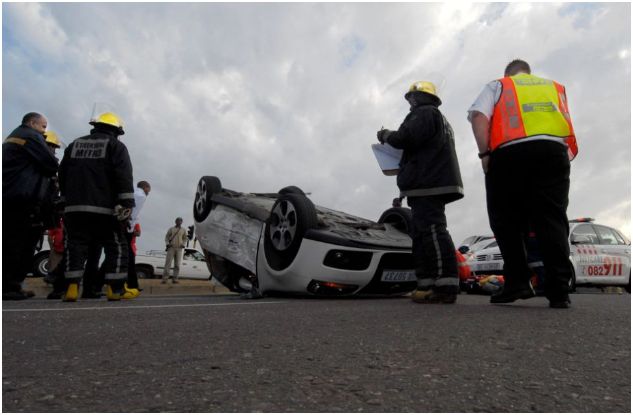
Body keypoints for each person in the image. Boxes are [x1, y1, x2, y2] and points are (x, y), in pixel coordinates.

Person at [468, 59, 578, 309]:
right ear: (528, 73)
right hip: (553, 151)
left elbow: (478, 116)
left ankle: (518, 281)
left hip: (510, 154)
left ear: (508, 74)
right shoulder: (554, 87)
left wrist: (485, 155)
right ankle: (559, 290)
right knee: (552, 218)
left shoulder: (499, 85)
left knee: (506, 219)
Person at [377, 81, 464, 304]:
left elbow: (403, 138)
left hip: (429, 183)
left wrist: (386, 135)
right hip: (427, 182)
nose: (410, 104)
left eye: (411, 99)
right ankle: (427, 284)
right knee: (424, 232)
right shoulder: (437, 118)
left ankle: (445, 285)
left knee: (433, 231)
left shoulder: (424, 113)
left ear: (418, 98)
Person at [58, 112, 136, 301]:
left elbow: (62, 173)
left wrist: (65, 199)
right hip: (105, 209)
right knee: (116, 245)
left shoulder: (74, 144)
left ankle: (71, 288)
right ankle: (115, 290)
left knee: (75, 246)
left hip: (74, 208)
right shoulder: (116, 146)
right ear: (116, 130)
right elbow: (123, 176)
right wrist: (126, 204)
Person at [3, 112, 58, 300]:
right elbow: (51, 164)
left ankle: (12, 285)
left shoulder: (13, 137)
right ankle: (10, 287)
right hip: (23, 198)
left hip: (11, 196)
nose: (45, 131)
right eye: (43, 126)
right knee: (20, 245)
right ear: (32, 123)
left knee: (13, 243)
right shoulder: (30, 136)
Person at [125, 181, 151, 293]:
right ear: (145, 187)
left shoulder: (134, 193)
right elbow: (132, 213)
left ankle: (132, 284)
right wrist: (129, 226)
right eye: (149, 189)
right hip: (126, 228)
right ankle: (131, 285)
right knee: (127, 257)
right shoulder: (141, 196)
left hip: (126, 228)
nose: (149, 192)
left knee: (127, 258)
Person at [161, 217, 188, 284]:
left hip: (179, 249)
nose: (179, 222)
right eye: (177, 221)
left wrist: (183, 244)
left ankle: (175, 279)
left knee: (177, 265)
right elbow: (167, 237)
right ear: (175, 221)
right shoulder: (171, 229)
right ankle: (165, 279)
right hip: (171, 248)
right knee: (168, 264)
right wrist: (167, 244)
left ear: (182, 222)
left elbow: (185, 238)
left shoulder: (183, 230)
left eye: (180, 221)